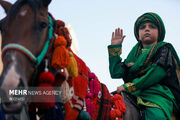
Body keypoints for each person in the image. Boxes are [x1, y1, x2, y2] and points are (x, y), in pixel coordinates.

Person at [108, 12, 180, 120]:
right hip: (133, 93)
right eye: (142, 27)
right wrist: (115, 47)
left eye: (152, 26)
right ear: (138, 34)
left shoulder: (165, 49)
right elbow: (116, 72)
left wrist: (129, 87)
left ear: (159, 32)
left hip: (157, 95)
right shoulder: (133, 56)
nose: (147, 29)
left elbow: (156, 73)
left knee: (157, 117)